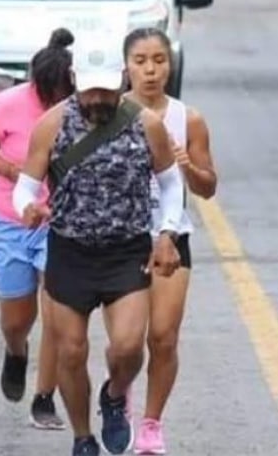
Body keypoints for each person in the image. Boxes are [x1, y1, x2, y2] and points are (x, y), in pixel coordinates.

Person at [12, 31, 186, 456]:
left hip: (125, 250)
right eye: (90, 90)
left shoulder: (146, 125)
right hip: (69, 251)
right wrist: (28, 207)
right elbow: (25, 185)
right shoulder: (52, 123)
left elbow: (170, 184)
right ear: (75, 79)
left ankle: (114, 393)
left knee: (127, 348)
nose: (97, 99)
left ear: (121, 81)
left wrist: (166, 233)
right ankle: (82, 436)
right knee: (70, 352)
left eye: (106, 90)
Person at [0, 28, 77, 430]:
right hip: (9, 220)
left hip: (61, 224)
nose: (52, 100)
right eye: (46, 92)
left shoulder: (82, 107)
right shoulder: (10, 103)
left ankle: (44, 398)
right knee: (17, 318)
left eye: (61, 92)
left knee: (57, 316)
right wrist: (11, 171)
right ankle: (16, 352)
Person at [120, 28, 218, 455]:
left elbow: (208, 187)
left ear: (170, 64)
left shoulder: (187, 118)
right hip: (120, 237)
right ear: (126, 65)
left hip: (172, 237)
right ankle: (117, 397)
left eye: (158, 60)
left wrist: (186, 167)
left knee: (163, 336)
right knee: (125, 341)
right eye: (140, 60)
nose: (150, 70)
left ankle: (151, 424)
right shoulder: (110, 111)